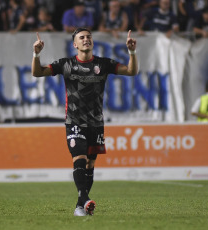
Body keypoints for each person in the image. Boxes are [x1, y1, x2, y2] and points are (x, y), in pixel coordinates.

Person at [31, 28, 138, 216]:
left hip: (96, 123)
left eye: (89, 37)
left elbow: (131, 71)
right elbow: (37, 73)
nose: (86, 39)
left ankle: (81, 205)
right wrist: (36, 54)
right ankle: (85, 199)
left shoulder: (103, 64)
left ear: (92, 42)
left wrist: (132, 52)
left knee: (90, 165)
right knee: (79, 158)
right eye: (82, 37)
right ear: (75, 44)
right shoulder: (66, 64)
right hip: (74, 121)